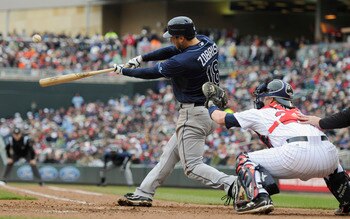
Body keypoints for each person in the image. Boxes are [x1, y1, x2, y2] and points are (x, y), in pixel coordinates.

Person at [114, 16, 237, 207]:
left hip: (193, 114)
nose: (170, 40)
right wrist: (142, 57)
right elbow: (173, 50)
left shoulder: (183, 61)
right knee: (169, 155)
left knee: (192, 167)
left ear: (181, 37)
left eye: (172, 37)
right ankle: (144, 192)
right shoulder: (206, 41)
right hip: (210, 110)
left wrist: (124, 71)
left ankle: (233, 184)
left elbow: (151, 73)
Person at [203, 79, 350, 215]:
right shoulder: (298, 112)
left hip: (296, 153)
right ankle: (347, 201)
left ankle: (259, 197)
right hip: (328, 154)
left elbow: (220, 118)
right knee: (333, 164)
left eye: (264, 97)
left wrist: (211, 104)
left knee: (243, 158)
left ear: (271, 99)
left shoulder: (261, 113)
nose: (261, 100)